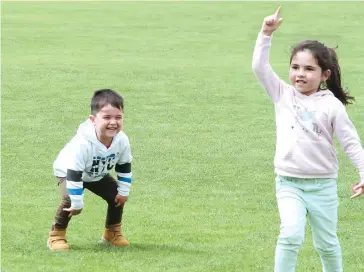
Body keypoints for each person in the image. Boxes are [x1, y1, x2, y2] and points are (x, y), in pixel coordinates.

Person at [252, 7, 364, 272]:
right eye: (295, 67)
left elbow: (351, 142)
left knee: (327, 243)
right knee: (290, 236)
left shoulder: (332, 105)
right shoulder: (282, 94)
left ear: (325, 75)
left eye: (309, 69)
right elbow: (259, 67)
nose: (300, 74)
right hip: (288, 183)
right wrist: (266, 33)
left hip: (323, 186)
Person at [47, 89, 133, 251]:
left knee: (117, 195)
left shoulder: (122, 140)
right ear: (93, 120)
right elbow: (74, 173)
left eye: (118, 117)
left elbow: (124, 165)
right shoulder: (83, 143)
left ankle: (112, 232)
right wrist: (78, 202)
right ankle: (56, 235)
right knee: (70, 200)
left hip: (95, 173)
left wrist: (124, 191)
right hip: (69, 172)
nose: (113, 122)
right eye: (107, 117)